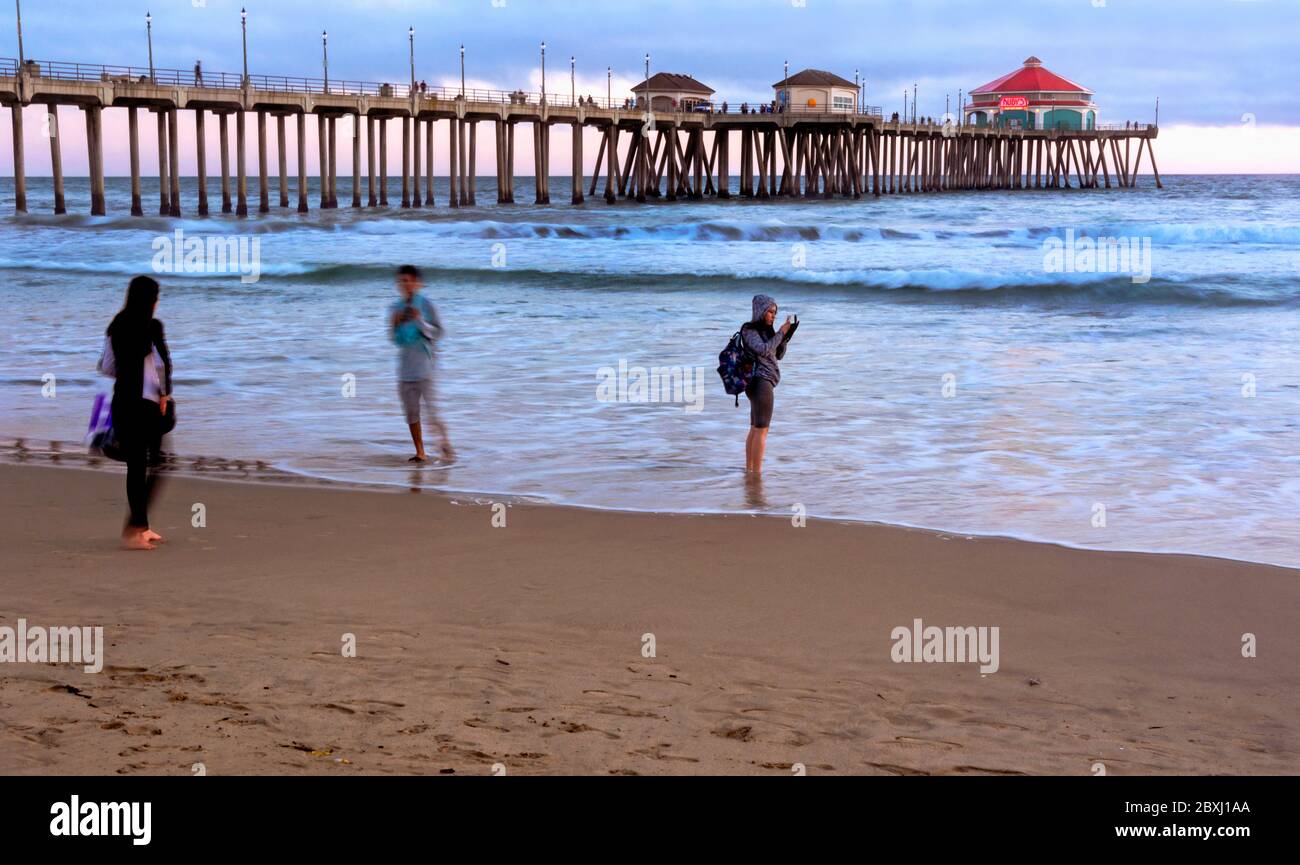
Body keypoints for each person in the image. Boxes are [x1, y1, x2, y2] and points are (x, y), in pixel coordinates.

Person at [107, 276, 173, 551]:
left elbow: (106, 366)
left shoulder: (116, 325)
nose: (157, 303)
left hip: (124, 402)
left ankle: (140, 526)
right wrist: (165, 394)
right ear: (150, 300)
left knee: (137, 466)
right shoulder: (152, 326)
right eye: (156, 297)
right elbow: (162, 363)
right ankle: (134, 530)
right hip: (148, 406)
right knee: (159, 463)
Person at [390, 265, 453, 463]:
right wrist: (396, 324)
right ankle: (420, 452)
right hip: (405, 370)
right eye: (401, 281)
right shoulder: (395, 308)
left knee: (432, 412)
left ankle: (445, 444)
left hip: (425, 369)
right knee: (411, 414)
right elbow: (397, 340)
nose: (405, 285)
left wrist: (419, 321)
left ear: (417, 283)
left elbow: (438, 333)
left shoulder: (427, 305)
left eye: (408, 281)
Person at [741, 294, 795, 475]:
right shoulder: (749, 331)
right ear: (760, 310)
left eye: (775, 313)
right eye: (770, 312)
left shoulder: (767, 332)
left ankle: (749, 471)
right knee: (762, 430)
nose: (773, 315)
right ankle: (757, 474)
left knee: (755, 428)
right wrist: (780, 332)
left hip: (762, 383)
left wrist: (785, 337)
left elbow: (778, 355)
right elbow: (764, 350)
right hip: (759, 382)